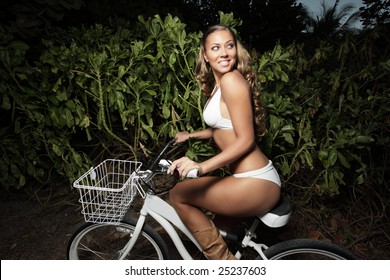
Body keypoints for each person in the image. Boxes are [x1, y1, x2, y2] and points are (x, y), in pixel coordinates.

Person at [167, 24, 281, 260]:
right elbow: (223, 127)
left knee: (178, 194)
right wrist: (190, 135)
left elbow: (246, 140)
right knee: (216, 229)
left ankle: (226, 267)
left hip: (255, 182)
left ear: (236, 50)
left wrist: (202, 167)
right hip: (249, 179)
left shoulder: (231, 80)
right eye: (216, 47)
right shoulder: (222, 83)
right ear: (206, 56)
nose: (224, 53)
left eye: (229, 46)